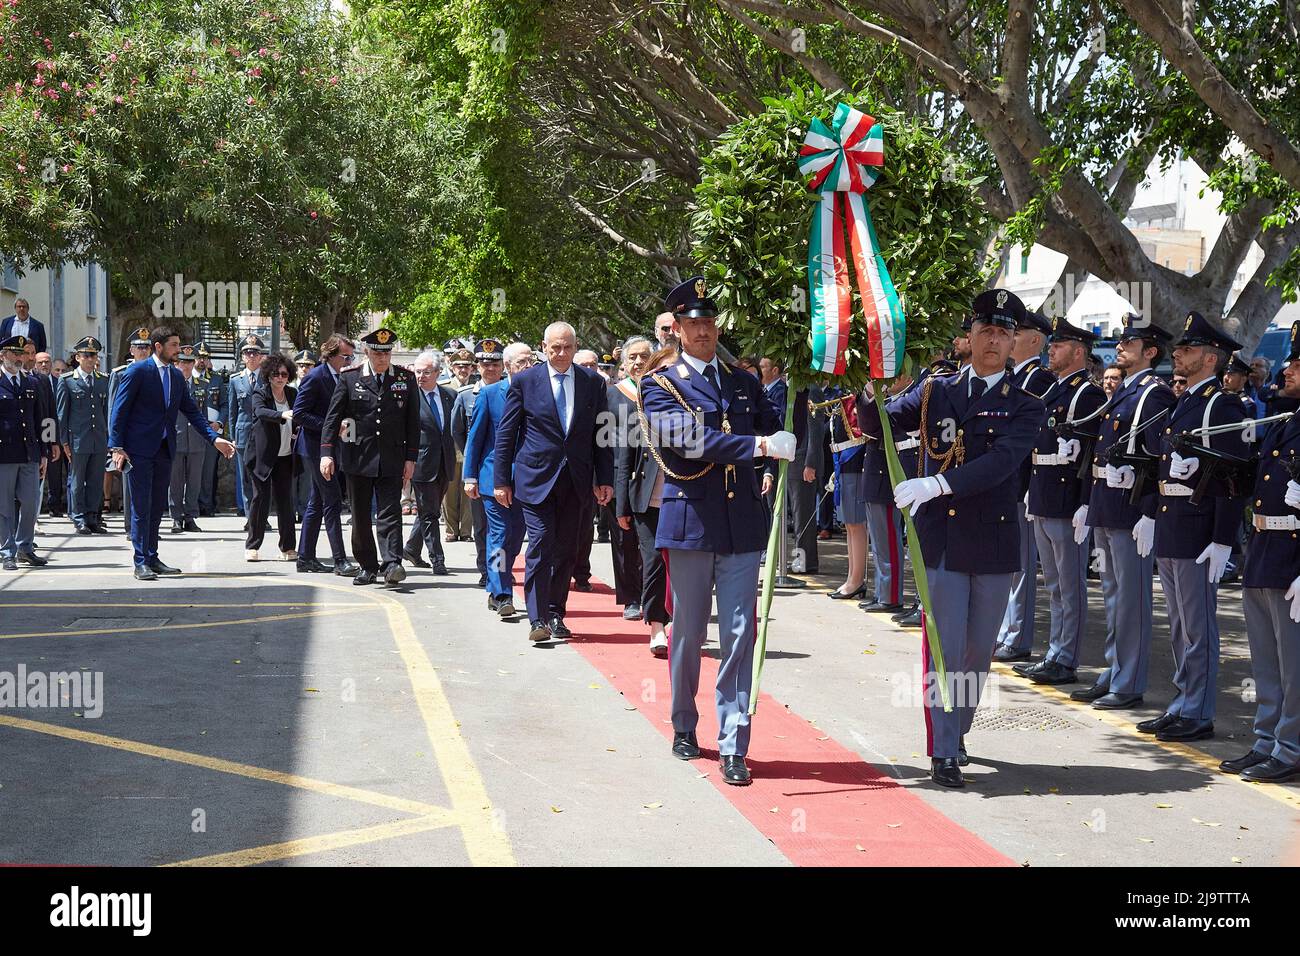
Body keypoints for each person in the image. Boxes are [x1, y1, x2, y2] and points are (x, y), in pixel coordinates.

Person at [860, 289, 1045, 788]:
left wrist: (936, 482)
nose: (993, 340)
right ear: (971, 336)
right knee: (943, 647)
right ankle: (943, 749)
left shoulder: (1026, 406)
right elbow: (877, 422)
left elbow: (1001, 463)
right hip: (940, 539)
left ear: (1013, 344)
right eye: (986, 330)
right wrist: (868, 378)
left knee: (976, 653)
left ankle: (956, 732)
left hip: (993, 542)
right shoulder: (934, 390)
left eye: (1003, 333)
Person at [640, 277, 791, 785]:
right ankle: (685, 722)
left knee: (739, 633)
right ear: (677, 330)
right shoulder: (660, 384)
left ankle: (734, 741)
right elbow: (690, 441)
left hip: (742, 523)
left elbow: (779, 419)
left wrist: (804, 380)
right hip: (690, 522)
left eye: (709, 321)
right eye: (692, 323)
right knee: (687, 630)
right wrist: (761, 448)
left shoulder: (743, 382)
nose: (703, 330)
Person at [1135, 311, 1249, 743]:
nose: (1177, 353)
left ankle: (1198, 711)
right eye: (1178, 348)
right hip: (1173, 523)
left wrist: (1223, 540)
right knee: (1181, 625)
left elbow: (1234, 478)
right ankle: (1183, 701)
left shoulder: (1223, 405)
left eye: (1187, 348)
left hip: (1199, 529)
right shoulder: (1185, 401)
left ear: (1210, 358)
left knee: (1198, 626)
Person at [1073, 313, 1175, 709]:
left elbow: (1158, 459)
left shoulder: (1155, 393)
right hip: (1107, 504)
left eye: (1129, 343)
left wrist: (1150, 510)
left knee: (1131, 599)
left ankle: (1128, 681)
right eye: (1121, 341)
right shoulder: (1123, 390)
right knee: (1114, 596)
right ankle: (1114, 669)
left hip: (1130, 511)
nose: (1120, 346)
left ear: (1149, 352)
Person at [493, 322, 615, 642]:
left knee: (566, 550)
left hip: (576, 480)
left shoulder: (592, 382)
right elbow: (506, 435)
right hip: (534, 479)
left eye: (568, 347)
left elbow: (602, 436)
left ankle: (556, 612)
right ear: (543, 347)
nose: (561, 353)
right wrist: (501, 480)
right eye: (555, 347)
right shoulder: (524, 382)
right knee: (541, 543)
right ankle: (537, 618)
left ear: (576, 348)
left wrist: (604, 478)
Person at [1012, 317, 1107, 685]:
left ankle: (1066, 658)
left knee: (1070, 584)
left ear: (1078, 352)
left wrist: (1086, 501)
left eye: (1060, 345)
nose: (1051, 349)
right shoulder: (1054, 391)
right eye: (1052, 344)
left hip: (1067, 499)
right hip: (1042, 492)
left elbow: (1090, 454)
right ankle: (1055, 651)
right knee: (1053, 582)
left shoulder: (1087, 393)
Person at [1225, 320, 1300, 782]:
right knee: (1267, 660)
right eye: (1291, 360)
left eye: (1297, 363)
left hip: (1293, 556)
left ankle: (1290, 748)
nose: (1288, 369)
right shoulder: (1286, 418)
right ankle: (1266, 739)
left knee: (1294, 665)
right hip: (1265, 549)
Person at [107, 327, 236, 580]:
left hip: (165, 449)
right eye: (174, 345)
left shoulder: (176, 377)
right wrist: (117, 447)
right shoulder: (137, 371)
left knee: (157, 507)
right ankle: (140, 561)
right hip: (139, 450)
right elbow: (119, 410)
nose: (178, 349)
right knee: (141, 506)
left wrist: (215, 438)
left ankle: (152, 557)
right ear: (158, 346)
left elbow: (192, 413)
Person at [320, 328, 419, 586]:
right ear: (366, 352)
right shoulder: (350, 378)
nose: (382, 358)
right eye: (376, 353)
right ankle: (367, 565)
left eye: (386, 353)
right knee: (361, 515)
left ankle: (392, 562)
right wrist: (327, 453)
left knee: (390, 512)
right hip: (358, 457)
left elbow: (412, 422)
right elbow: (332, 419)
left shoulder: (405, 379)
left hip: (391, 457)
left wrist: (411, 458)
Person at [995, 307, 1055, 659]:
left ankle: (1017, 637)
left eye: (1015, 334)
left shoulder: (1039, 381)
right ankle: (1006, 631)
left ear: (1034, 340)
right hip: (1005, 480)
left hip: (1021, 481)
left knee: (1020, 564)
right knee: (1007, 561)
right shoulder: (1013, 376)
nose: (1009, 339)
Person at [464, 341, 532, 617]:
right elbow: (475, 438)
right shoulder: (490, 394)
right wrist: (469, 476)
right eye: (521, 362)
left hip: (527, 480)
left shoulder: (538, 393)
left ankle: (497, 582)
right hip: (494, 479)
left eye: (531, 361)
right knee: (500, 536)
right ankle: (501, 592)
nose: (528, 367)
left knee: (516, 539)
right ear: (508, 367)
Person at [614, 336, 671, 655]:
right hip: (645, 501)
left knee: (680, 565)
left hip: (683, 499)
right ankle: (656, 626)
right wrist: (621, 506)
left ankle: (678, 618)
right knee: (653, 561)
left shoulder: (691, 408)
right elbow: (624, 460)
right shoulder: (638, 406)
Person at [291, 334, 358, 575]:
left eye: (351, 356)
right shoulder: (316, 377)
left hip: (332, 446)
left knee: (316, 502)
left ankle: (305, 556)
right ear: (331, 355)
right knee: (332, 500)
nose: (349, 360)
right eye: (345, 356)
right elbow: (299, 413)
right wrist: (330, 426)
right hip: (314, 448)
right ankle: (340, 560)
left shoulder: (341, 376)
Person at [0, 335, 54, 570]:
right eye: (15, 353)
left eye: (22, 353)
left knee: (31, 503)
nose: (20, 358)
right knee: (4, 506)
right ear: (3, 356)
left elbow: (41, 418)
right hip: (4, 454)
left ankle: (25, 547)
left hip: (29, 453)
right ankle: (7, 551)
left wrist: (44, 450)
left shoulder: (32, 383)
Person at [604, 338, 649, 621]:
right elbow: (602, 440)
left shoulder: (663, 391)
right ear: (623, 363)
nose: (638, 362)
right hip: (620, 477)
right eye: (632, 357)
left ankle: (652, 596)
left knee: (652, 544)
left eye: (644, 356)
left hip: (653, 477)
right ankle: (630, 597)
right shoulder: (613, 395)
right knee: (623, 540)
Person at [401, 350, 457, 575]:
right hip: (421, 464)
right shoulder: (409, 398)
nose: (421, 376)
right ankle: (438, 559)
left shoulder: (449, 396)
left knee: (428, 510)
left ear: (438, 372)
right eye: (417, 372)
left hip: (445, 462)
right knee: (430, 514)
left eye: (426, 372)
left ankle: (412, 549)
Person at [451, 342, 500, 586]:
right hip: (481, 471)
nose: (489, 368)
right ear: (476, 367)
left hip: (507, 471)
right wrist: (473, 461)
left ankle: (501, 569)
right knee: (481, 527)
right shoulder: (466, 396)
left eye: (494, 363)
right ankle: (486, 570)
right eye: (484, 364)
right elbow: (459, 433)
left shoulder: (513, 392)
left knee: (504, 530)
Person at [244, 352, 299, 561]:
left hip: (286, 455)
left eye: (284, 374)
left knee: (286, 501)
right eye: (276, 374)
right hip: (262, 456)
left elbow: (303, 414)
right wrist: (282, 415)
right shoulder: (261, 393)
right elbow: (260, 412)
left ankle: (288, 548)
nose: (280, 378)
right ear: (268, 375)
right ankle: (252, 546)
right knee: (260, 500)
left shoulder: (293, 394)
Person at [56, 336, 110, 535]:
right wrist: (63, 441)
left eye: (93, 355)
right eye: (86, 355)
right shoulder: (67, 380)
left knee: (96, 480)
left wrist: (109, 438)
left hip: (99, 438)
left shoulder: (104, 380)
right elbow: (62, 414)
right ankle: (78, 518)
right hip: (77, 439)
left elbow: (107, 412)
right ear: (77, 357)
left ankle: (92, 517)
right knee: (78, 481)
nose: (90, 359)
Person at [110, 328, 153, 538]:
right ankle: (130, 527)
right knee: (130, 487)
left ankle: (146, 527)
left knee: (150, 485)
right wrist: (116, 444)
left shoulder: (156, 372)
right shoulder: (120, 374)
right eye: (139, 347)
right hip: (128, 439)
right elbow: (113, 410)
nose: (143, 351)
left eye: (146, 347)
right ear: (131, 350)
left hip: (150, 438)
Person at [167, 344, 209, 534]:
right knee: (175, 481)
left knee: (194, 482)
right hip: (175, 437)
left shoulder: (203, 385)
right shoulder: (169, 384)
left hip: (196, 440)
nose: (185, 366)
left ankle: (191, 517)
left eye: (189, 362)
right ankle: (176, 517)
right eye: (182, 362)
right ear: (176, 364)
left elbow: (204, 415)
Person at [227, 334, 267, 523]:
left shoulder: (267, 379)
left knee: (262, 477)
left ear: (261, 357)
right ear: (242, 357)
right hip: (243, 435)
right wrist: (233, 436)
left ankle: (262, 516)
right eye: (248, 353)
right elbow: (232, 411)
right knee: (245, 480)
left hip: (264, 434)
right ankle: (251, 517)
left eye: (255, 353)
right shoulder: (235, 380)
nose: (251, 356)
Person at [442, 347, 479, 543]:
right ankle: (450, 529)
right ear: (452, 367)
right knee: (449, 490)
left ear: (472, 369)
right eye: (459, 366)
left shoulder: (478, 388)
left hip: (469, 447)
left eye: (467, 366)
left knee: (469, 491)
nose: (463, 370)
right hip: (449, 446)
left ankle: (466, 531)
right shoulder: (444, 386)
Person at [194, 342, 227, 517]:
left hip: (212, 431)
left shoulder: (216, 378)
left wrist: (220, 423)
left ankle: (206, 505)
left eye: (204, 357)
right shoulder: (187, 378)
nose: (201, 360)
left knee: (208, 471)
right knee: (191, 472)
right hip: (192, 431)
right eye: (198, 357)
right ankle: (191, 506)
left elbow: (224, 404)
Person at [292, 349, 318, 520]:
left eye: (308, 366)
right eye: (301, 365)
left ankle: (303, 510)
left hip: (307, 436)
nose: (304, 369)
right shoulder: (288, 387)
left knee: (307, 476)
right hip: (288, 436)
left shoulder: (317, 386)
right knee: (290, 476)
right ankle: (290, 509)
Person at [1222, 353, 1264, 418]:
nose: (1226, 378)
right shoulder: (1218, 396)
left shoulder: (1246, 404)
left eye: (1231, 374)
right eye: (1225, 373)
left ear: (1243, 379)